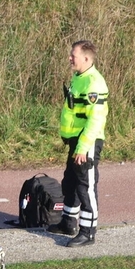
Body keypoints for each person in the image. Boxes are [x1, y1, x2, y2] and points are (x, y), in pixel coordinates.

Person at [48, 40, 109, 247]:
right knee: (70, 182)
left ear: (86, 58)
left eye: (73, 55)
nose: (69, 58)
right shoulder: (79, 77)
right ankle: (68, 222)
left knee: (86, 186)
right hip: (76, 140)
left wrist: (83, 147)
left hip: (87, 142)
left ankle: (88, 232)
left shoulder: (94, 83)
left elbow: (96, 119)